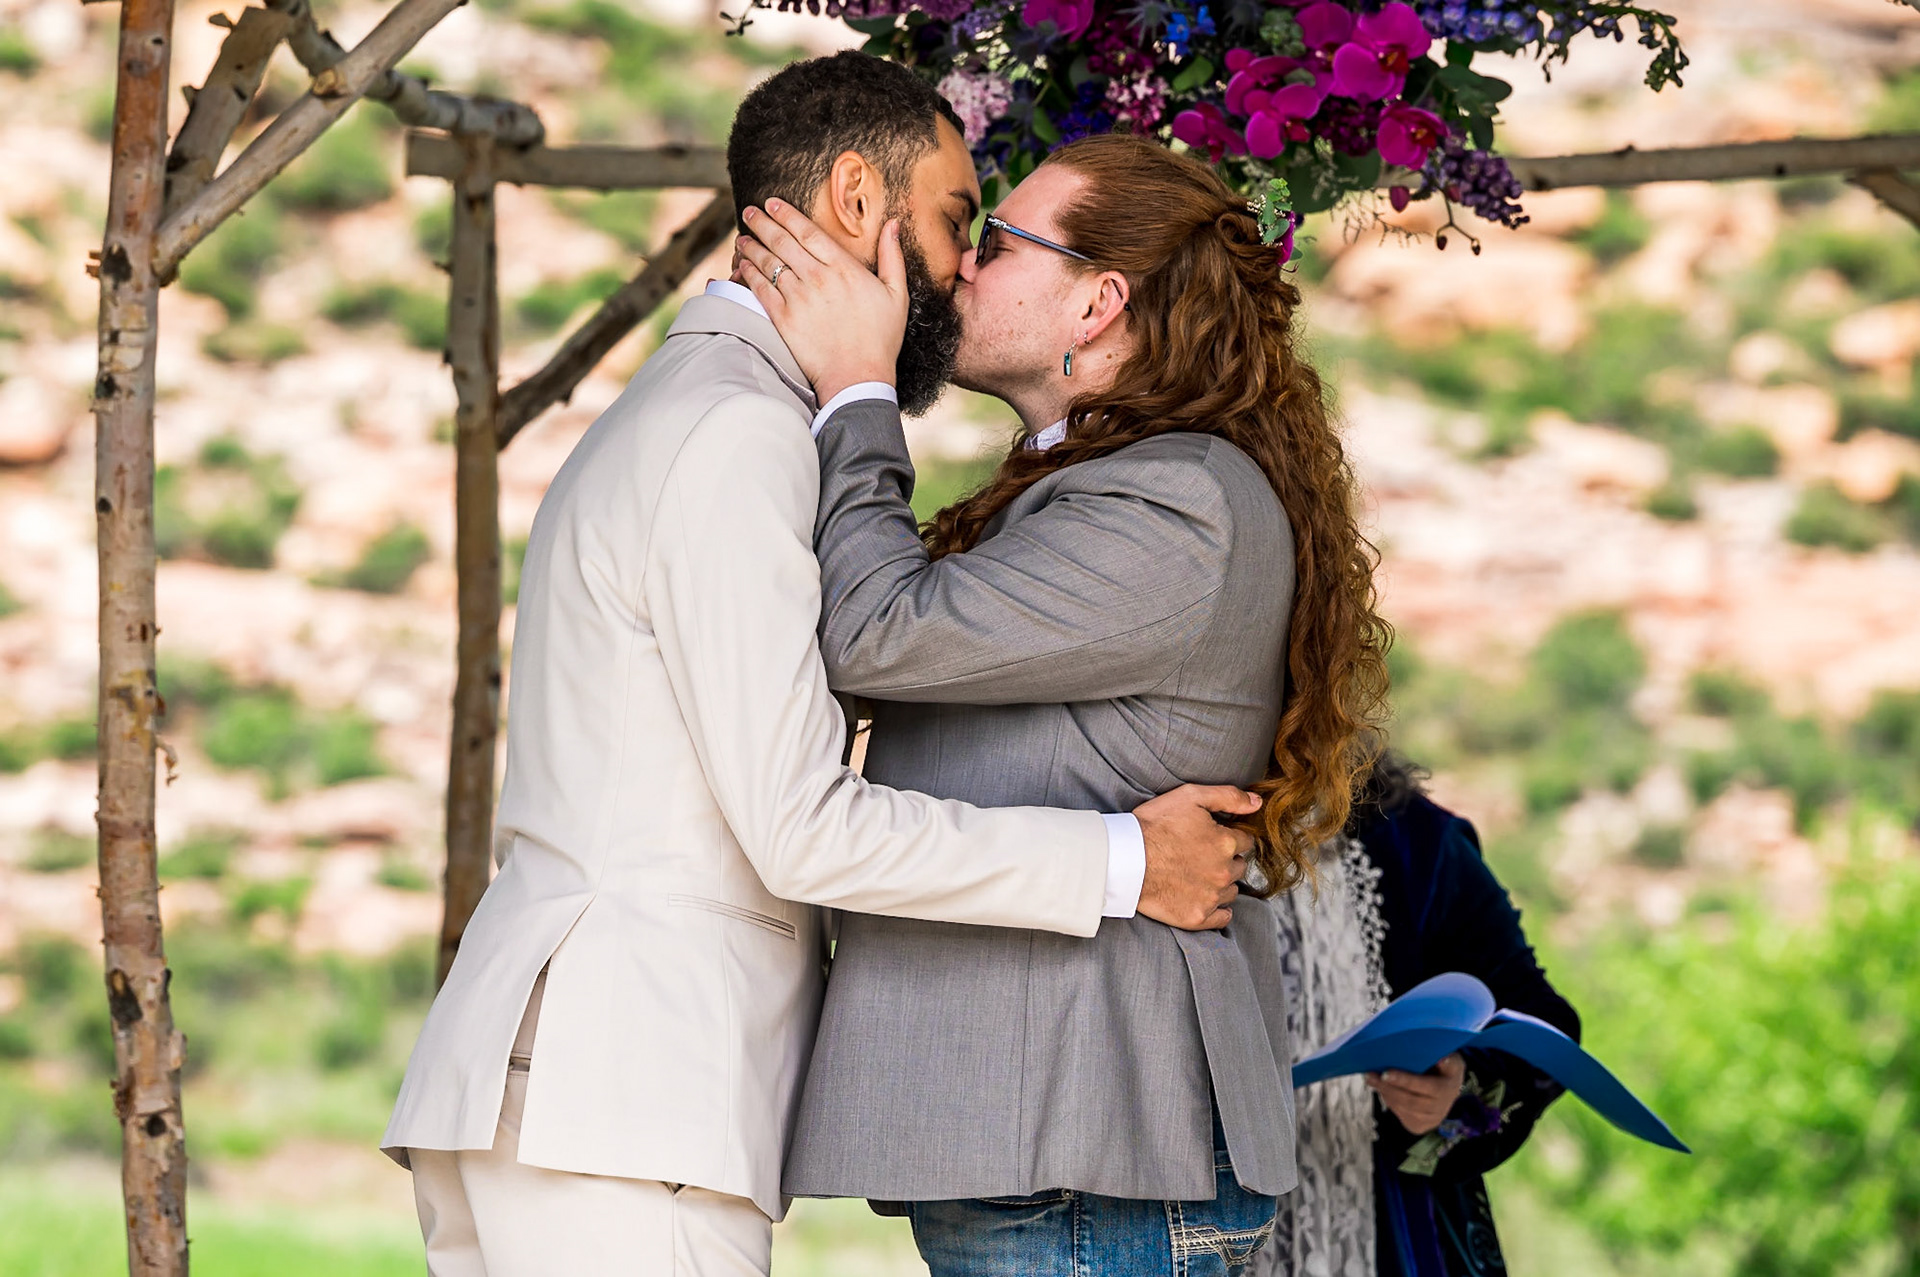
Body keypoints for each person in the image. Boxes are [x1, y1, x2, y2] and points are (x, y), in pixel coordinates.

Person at [380, 53, 1266, 1277]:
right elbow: (802, 828)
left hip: (588, 1096)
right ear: (858, 199)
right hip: (624, 1099)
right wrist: (1126, 861)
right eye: (957, 221)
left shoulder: (692, 405)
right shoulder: (740, 431)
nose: (961, 269)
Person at [734, 132, 1392, 1276]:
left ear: (1100, 300)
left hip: (1089, 1155)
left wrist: (856, 391)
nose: (962, 267)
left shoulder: (1174, 504)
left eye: (995, 243)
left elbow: (878, 629)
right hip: (1062, 1154)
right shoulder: (1103, 483)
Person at [1250, 751, 1581, 1277]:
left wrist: (1455, 1090)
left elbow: (1542, 1023)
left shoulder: (1415, 842)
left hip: (1389, 1231)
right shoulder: (1143, 840)